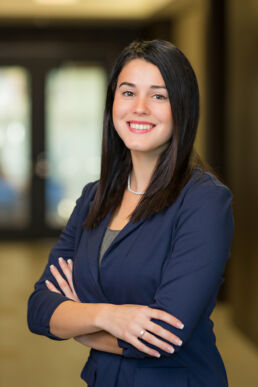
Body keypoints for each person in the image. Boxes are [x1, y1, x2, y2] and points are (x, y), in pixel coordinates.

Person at [27, 39, 234, 387]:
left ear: (182, 108)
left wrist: (81, 327)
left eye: (158, 96)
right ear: (112, 105)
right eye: (127, 93)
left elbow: (164, 336)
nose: (139, 108)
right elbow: (38, 309)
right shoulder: (94, 196)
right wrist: (108, 316)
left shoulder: (205, 202)